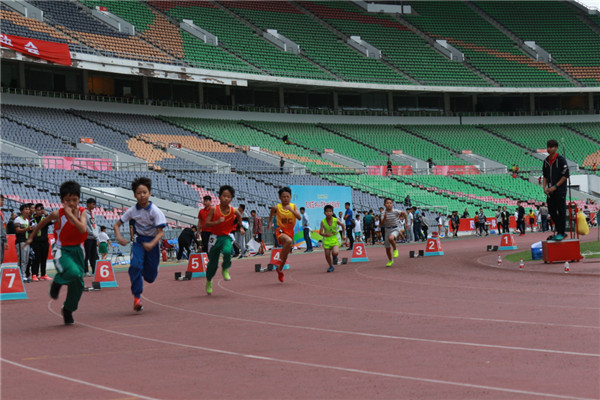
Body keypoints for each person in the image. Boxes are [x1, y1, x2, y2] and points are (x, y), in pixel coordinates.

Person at [26, 181, 88, 325]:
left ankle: (68, 309)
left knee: (78, 283)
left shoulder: (82, 212)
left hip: (78, 250)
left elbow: (82, 229)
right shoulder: (57, 214)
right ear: (62, 200)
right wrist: (31, 237)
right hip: (62, 250)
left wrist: (71, 215)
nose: (71, 203)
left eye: (74, 200)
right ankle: (57, 282)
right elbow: (41, 223)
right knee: (73, 272)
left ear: (79, 199)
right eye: (68, 200)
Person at [114, 177, 166, 312]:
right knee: (135, 266)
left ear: (149, 193)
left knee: (150, 277)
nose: (142, 195)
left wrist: (152, 243)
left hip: (153, 243)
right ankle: (137, 298)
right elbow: (117, 225)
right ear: (134, 195)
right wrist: (119, 237)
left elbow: (161, 233)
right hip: (139, 242)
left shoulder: (155, 211)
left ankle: (147, 269)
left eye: (144, 192)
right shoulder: (132, 211)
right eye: (139, 193)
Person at [203, 185, 243, 294]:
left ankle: (225, 268)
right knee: (213, 264)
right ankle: (209, 280)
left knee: (227, 251)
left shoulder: (233, 210)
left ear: (231, 199)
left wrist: (241, 227)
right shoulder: (213, 209)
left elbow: (239, 216)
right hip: (215, 237)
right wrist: (217, 222)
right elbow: (206, 224)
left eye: (229, 197)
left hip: (226, 236)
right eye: (224, 196)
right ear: (219, 197)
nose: (226, 198)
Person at [267, 187, 301, 283]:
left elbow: (299, 217)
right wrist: (269, 223)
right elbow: (271, 213)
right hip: (281, 230)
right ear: (280, 198)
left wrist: (291, 210)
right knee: (288, 241)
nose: (285, 198)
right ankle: (279, 260)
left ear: (290, 197)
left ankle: (280, 269)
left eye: (287, 196)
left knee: (286, 255)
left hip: (290, 231)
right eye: (283, 197)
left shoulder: (294, 206)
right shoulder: (276, 207)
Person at [543, 139, 569, 241]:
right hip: (550, 191)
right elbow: (545, 176)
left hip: (560, 190)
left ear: (556, 147)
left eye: (551, 147)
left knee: (561, 211)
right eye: (548, 147)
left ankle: (561, 232)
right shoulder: (545, 161)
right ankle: (560, 231)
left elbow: (565, 176)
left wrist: (555, 186)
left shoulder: (561, 160)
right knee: (552, 211)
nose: (549, 149)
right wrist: (544, 187)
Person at [381, 198, 407, 267]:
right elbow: (381, 224)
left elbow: (404, 213)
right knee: (387, 248)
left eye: (390, 203)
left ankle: (395, 249)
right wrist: (384, 218)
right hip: (387, 229)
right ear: (384, 204)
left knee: (391, 238)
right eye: (387, 203)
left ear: (392, 204)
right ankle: (390, 260)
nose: (389, 204)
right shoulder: (383, 213)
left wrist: (406, 223)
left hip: (395, 228)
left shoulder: (395, 211)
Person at [319, 205, 344, 272]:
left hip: (334, 238)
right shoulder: (323, 222)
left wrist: (343, 235)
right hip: (327, 239)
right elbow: (320, 232)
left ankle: (334, 257)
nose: (328, 213)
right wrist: (325, 234)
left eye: (330, 211)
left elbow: (343, 225)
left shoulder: (335, 220)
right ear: (324, 213)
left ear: (332, 213)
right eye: (327, 211)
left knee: (335, 252)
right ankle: (331, 266)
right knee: (327, 255)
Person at [31, 203, 52, 281]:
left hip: (45, 241)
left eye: (41, 210)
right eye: (38, 210)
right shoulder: (32, 219)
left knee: (44, 258)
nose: (40, 212)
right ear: (35, 210)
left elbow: (51, 221)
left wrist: (46, 214)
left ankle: (43, 274)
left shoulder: (44, 219)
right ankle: (34, 274)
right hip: (36, 242)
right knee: (36, 259)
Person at [14, 203, 33, 282]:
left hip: (26, 241)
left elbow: (27, 231)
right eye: (26, 209)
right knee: (22, 259)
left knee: (26, 260)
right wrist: (27, 229)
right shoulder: (18, 219)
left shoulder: (26, 220)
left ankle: (23, 274)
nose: (27, 211)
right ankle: (21, 275)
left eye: (28, 209)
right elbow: (17, 230)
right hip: (20, 241)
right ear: (21, 211)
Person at [83, 198, 99, 277]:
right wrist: (92, 233)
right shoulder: (84, 214)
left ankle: (94, 270)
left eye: (94, 204)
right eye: (93, 204)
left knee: (94, 255)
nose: (94, 206)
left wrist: (96, 233)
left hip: (94, 238)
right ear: (88, 204)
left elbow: (95, 225)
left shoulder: (93, 214)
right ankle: (85, 271)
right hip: (87, 237)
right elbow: (85, 225)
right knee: (86, 254)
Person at [0, 195, 6, 266]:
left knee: (1, 257)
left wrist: (5, 239)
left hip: (2, 237)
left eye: (3, 200)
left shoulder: (1, 212)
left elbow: (3, 226)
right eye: (1, 200)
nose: (2, 202)